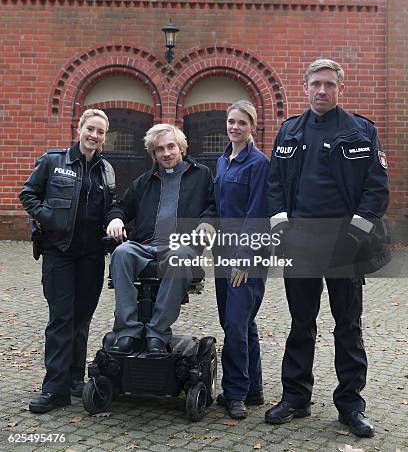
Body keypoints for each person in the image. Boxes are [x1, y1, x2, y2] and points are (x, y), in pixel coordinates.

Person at [266, 59, 390, 437]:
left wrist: (356, 233)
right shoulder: (289, 132)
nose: (322, 90)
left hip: (344, 243)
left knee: (348, 325)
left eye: (329, 84)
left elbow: (377, 187)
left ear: (340, 88)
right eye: (316, 84)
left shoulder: (360, 131)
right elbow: (274, 183)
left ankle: (351, 405)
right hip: (301, 241)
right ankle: (295, 398)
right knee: (301, 324)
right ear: (305, 87)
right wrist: (281, 223)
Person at [19, 109, 116, 414]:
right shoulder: (53, 161)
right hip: (59, 252)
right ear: (79, 129)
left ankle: (75, 380)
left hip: (91, 256)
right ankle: (54, 388)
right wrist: (50, 218)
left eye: (100, 132)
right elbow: (28, 194)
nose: (94, 136)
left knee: (81, 320)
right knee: (61, 319)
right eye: (90, 129)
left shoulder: (106, 170)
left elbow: (112, 206)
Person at [106, 124, 216, 355]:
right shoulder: (145, 181)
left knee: (179, 256)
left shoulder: (201, 175)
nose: (166, 153)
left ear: (181, 147)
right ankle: (127, 331)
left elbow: (212, 206)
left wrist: (207, 222)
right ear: (153, 154)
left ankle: (157, 332)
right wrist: (116, 220)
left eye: (171, 147)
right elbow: (121, 208)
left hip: (181, 247)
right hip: (146, 246)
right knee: (122, 253)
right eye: (159, 149)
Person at [213, 101, 270, 420]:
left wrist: (245, 258)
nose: (235, 127)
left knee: (235, 323)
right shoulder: (223, 160)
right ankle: (254, 388)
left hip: (247, 256)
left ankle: (235, 393)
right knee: (239, 321)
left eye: (242, 123)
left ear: (252, 127)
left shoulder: (259, 163)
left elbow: (258, 213)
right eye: (231, 121)